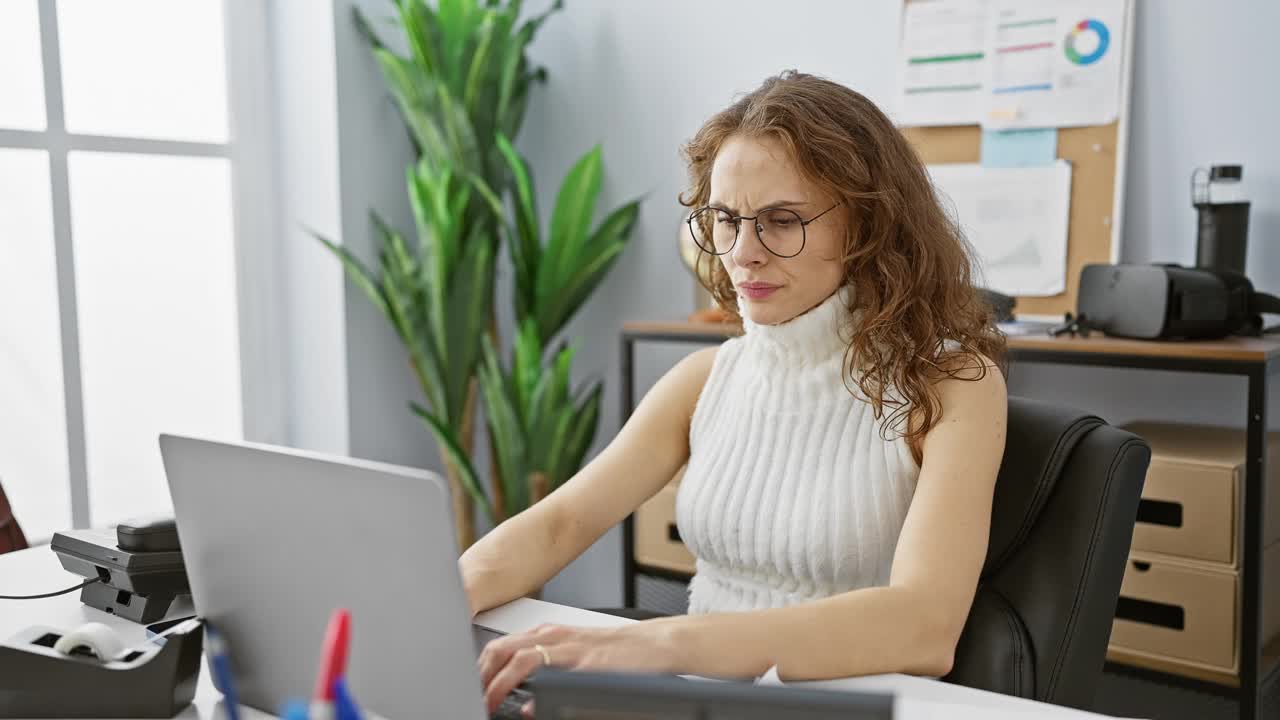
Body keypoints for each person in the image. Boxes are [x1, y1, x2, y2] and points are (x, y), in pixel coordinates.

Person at [464, 70, 1008, 715]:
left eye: (781, 221)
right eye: (725, 219)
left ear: (867, 226)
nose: (742, 253)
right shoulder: (707, 378)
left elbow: (924, 626)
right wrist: (425, 604)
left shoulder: (952, 386)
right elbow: (560, 525)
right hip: (695, 698)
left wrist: (660, 644)